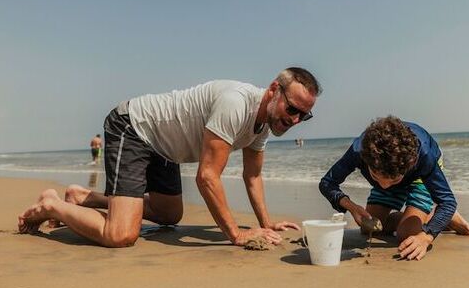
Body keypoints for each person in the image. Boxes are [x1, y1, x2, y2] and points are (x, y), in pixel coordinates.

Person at [18, 67, 321, 248]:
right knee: (121, 235)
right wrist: (236, 234)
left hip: (164, 147)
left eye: (303, 116)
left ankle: (82, 196)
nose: (294, 120)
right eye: (292, 109)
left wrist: (266, 224)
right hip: (134, 127)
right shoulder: (236, 104)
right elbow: (207, 177)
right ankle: (52, 205)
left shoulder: (267, 122)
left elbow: (252, 176)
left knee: (168, 215)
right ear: (273, 90)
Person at [319, 116, 469, 261]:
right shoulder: (360, 150)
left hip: (419, 176)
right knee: (369, 228)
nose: (385, 186)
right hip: (392, 167)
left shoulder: (425, 158)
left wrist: (427, 236)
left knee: (407, 235)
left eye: (394, 180)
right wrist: (351, 206)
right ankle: (417, 217)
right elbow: (327, 183)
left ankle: (438, 218)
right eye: (376, 176)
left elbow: (448, 202)